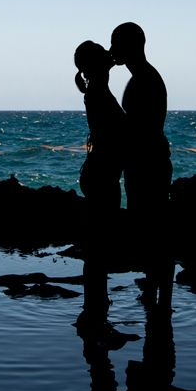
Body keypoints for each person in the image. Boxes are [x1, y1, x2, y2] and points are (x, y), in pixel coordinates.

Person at [109, 22, 174, 310]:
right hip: (149, 160)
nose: (112, 50)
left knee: (154, 226)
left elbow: (136, 127)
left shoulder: (143, 80)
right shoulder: (145, 77)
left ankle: (161, 294)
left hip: (148, 163)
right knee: (153, 226)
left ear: (131, 45)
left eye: (116, 44)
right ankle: (155, 285)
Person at [73, 40, 126, 334]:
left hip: (99, 172)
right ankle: (95, 315)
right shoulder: (98, 93)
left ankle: (95, 311)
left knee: (98, 246)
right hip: (102, 174)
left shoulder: (97, 90)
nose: (109, 53)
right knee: (98, 247)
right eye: (102, 52)